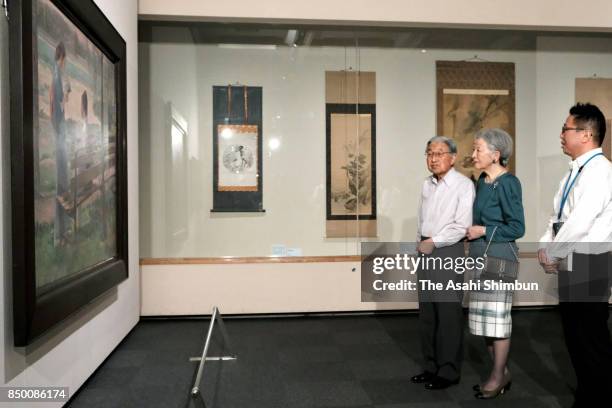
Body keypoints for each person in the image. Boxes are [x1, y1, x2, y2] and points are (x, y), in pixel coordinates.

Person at [538, 103, 612, 408]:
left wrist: (553, 252)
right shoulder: (573, 172)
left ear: (586, 134)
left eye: (566, 128)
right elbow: (558, 218)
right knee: (575, 338)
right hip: (572, 259)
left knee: (591, 340)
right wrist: (545, 244)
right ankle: (588, 395)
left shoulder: (601, 171)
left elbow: (581, 222)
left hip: (591, 262)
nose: (561, 134)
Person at [411, 136, 475, 390]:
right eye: (429, 153)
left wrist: (434, 242)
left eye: (439, 153)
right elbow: (422, 218)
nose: (433, 158)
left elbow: (461, 225)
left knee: (448, 315)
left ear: (453, 157)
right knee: (428, 314)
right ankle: (430, 366)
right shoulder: (427, 184)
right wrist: (421, 242)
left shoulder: (463, 185)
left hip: (448, 250)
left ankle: (448, 371)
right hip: (425, 249)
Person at [466, 128, 525, 399]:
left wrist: (484, 231)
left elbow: (517, 227)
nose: (473, 154)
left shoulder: (509, 183)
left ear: (496, 154)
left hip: (500, 259)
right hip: (479, 257)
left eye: (478, 149)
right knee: (484, 323)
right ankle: (501, 372)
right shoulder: (482, 180)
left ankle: (498, 376)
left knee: (497, 323)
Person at [49, 41, 70, 246]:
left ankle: (62, 234)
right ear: (61, 57)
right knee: (60, 183)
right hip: (59, 133)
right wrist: (58, 132)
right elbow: (55, 106)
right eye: (65, 60)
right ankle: (58, 236)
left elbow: (58, 105)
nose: (65, 64)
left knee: (63, 183)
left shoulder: (58, 74)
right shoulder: (56, 73)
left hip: (60, 131)